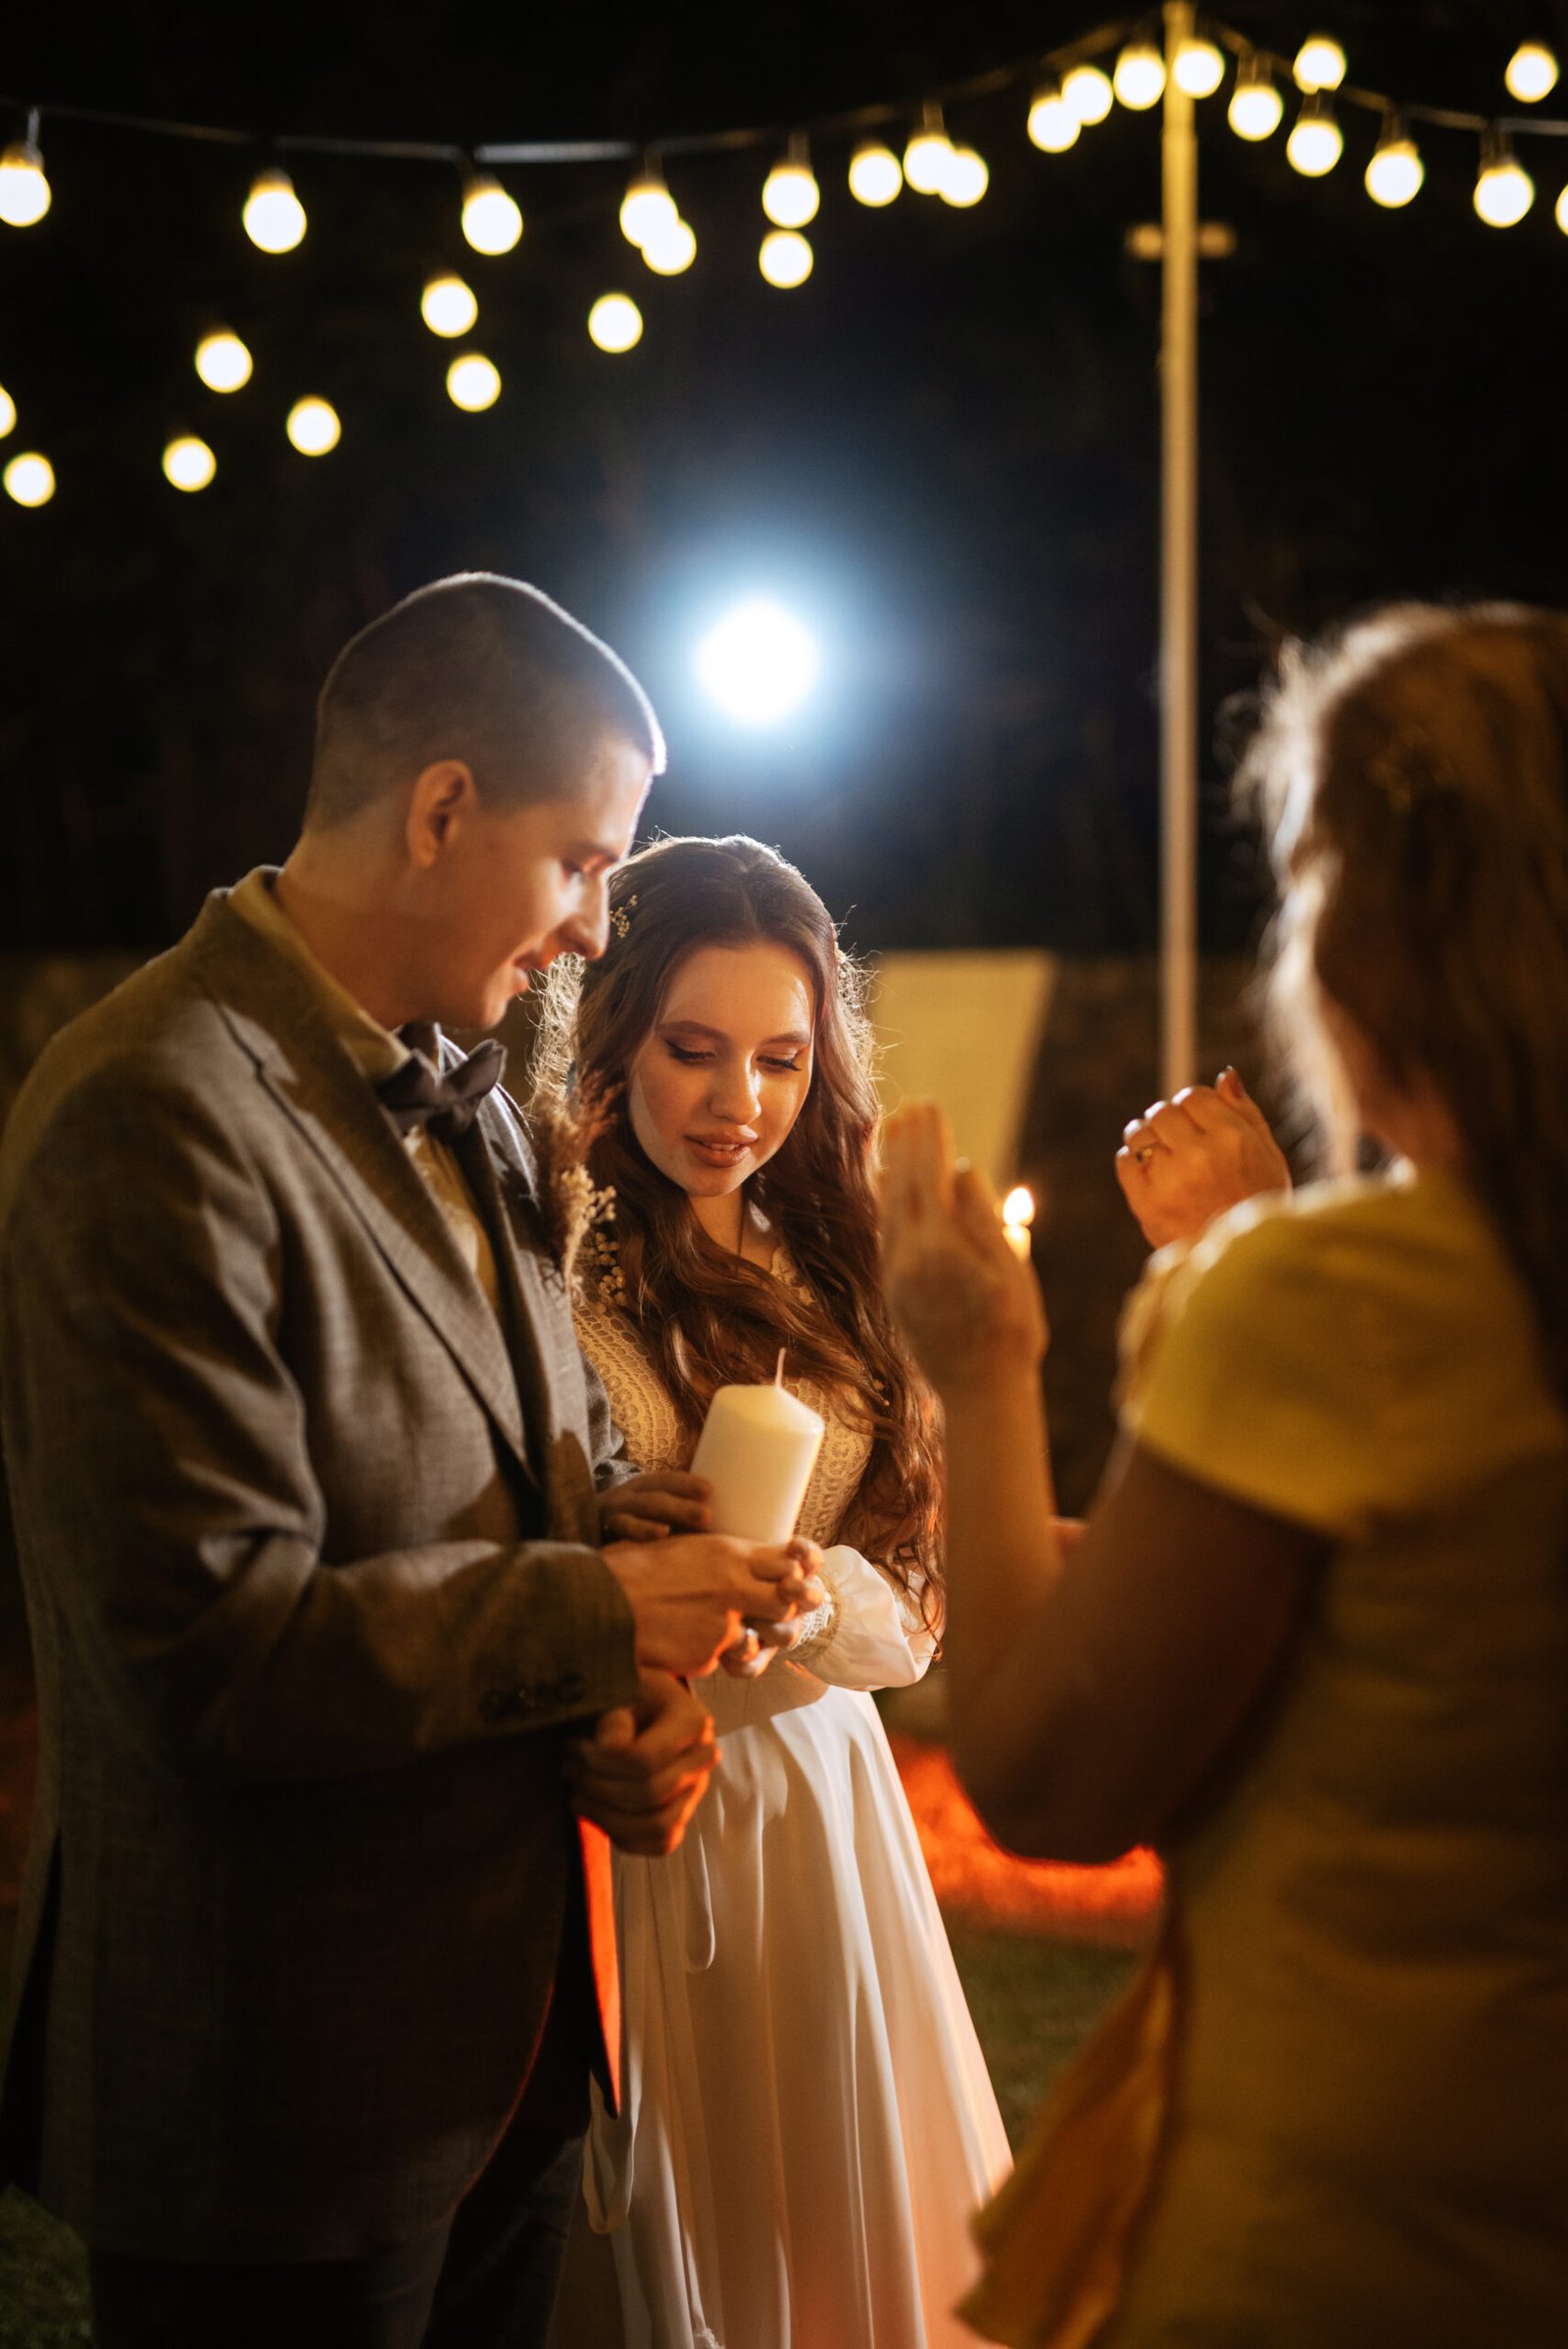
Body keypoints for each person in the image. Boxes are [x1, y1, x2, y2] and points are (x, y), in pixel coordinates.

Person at [0, 575, 824, 2349]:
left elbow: (540, 1467)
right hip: (280, 2086)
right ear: (441, 809)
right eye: (585, 863)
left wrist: (641, 1593)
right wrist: (602, 1612)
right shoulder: (151, 1106)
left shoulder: (484, 1095)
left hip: (509, 2061)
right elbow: (205, 1656)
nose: (601, 929)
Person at [879, 603, 1568, 2347]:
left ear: (1364, 942)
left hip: (1356, 2219)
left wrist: (983, 1356)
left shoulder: (1332, 1299)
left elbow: (1048, 1767)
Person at [533, 834, 1011, 2349]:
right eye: (693, 1050)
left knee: (831, 2208)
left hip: (813, 1791)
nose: (739, 1100)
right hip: (622, 1788)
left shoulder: (843, 1259)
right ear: (615, 1037)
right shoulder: (550, 1252)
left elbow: (918, 1608)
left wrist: (809, 1599)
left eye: (783, 1058)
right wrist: (605, 1533)